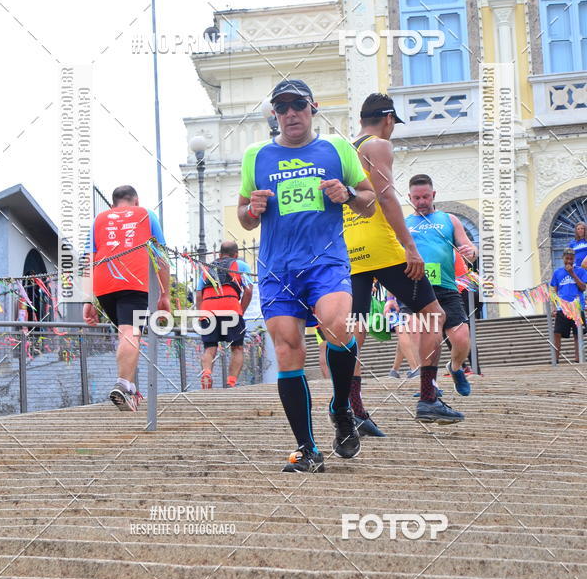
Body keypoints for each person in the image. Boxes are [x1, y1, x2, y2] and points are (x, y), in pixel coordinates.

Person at [237, 78, 375, 473]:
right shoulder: (256, 156)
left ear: (312, 107)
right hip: (277, 269)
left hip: (326, 262)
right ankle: (307, 448)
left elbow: (370, 201)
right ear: (274, 114)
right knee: (288, 351)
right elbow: (244, 217)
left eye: (297, 105)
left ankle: (341, 406)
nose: (290, 113)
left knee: (338, 326)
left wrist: (348, 195)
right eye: (281, 107)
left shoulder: (337, 149)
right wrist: (253, 209)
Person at [342, 93, 463, 427]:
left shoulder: (346, 150)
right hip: (381, 245)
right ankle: (428, 397)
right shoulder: (378, 145)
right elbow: (386, 196)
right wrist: (410, 247)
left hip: (351, 247)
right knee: (434, 315)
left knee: (358, 328)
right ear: (389, 119)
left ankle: (354, 409)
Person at [83, 185, 170, 411]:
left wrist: (87, 300)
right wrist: (165, 294)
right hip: (133, 281)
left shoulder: (98, 220)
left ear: (113, 205)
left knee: (126, 334)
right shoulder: (145, 215)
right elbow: (161, 257)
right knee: (130, 333)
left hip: (104, 285)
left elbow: (87, 261)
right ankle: (122, 384)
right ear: (136, 201)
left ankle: (129, 388)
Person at [403, 174, 478, 398]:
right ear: (409, 198)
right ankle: (428, 385)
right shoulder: (404, 223)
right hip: (416, 287)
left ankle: (455, 368)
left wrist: (470, 253)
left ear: (433, 195)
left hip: (446, 287)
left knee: (462, 339)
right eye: (416, 198)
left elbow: (470, 249)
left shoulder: (449, 219)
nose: (421, 201)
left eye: (425, 196)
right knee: (421, 335)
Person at [195, 240, 253, 388]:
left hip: (208, 308)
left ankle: (207, 373)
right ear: (236, 254)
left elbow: (199, 294)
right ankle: (231, 382)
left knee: (210, 348)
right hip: (230, 307)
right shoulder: (241, 265)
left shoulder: (207, 268)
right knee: (237, 347)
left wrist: (201, 314)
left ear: (219, 254)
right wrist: (241, 310)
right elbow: (248, 291)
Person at [550, 248, 587, 363]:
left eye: (571, 259)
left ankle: (578, 358)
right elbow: (553, 291)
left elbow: (583, 287)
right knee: (557, 333)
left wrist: (572, 273)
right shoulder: (557, 272)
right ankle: (555, 359)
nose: (569, 261)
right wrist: (554, 307)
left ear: (574, 259)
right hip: (563, 308)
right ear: (563, 258)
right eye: (567, 259)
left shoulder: (581, 271)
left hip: (577, 307)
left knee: (578, 334)